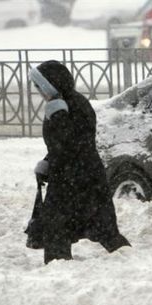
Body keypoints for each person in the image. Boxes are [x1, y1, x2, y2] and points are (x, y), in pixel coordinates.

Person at [29, 60, 130, 264]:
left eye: (40, 86)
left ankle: (61, 265)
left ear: (51, 84)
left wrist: (58, 115)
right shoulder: (64, 103)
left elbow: (73, 141)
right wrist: (48, 161)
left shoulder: (71, 105)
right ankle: (60, 263)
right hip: (74, 174)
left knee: (71, 224)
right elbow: (60, 144)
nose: (38, 91)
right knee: (85, 224)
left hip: (78, 176)